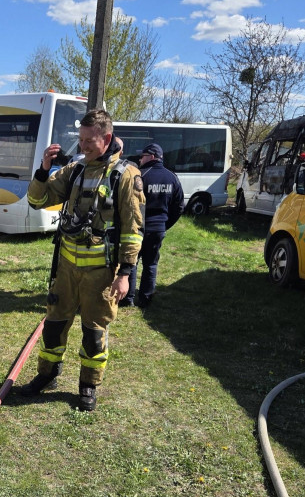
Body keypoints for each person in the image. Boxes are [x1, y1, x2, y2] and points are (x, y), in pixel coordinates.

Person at [18, 109, 145, 412]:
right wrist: (43, 170)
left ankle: (88, 385)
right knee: (53, 326)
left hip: (101, 274)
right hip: (65, 269)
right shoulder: (74, 170)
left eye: (90, 140)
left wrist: (125, 273)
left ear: (107, 138)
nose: (83, 146)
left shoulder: (125, 175)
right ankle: (46, 376)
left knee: (94, 333)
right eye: (81, 139)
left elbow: (133, 229)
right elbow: (37, 200)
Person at [119, 142, 184, 309]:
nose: (140, 159)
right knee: (151, 263)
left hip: (139, 229)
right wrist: (164, 224)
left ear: (152, 157)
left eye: (143, 156)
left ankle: (128, 298)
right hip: (158, 229)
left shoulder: (140, 176)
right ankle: (146, 298)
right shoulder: (172, 177)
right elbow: (179, 206)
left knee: (132, 262)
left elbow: (129, 203)